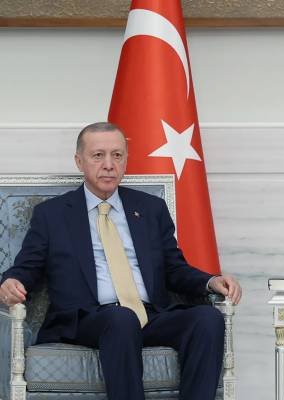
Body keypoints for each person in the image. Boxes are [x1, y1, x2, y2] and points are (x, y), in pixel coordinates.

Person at [0, 122, 242, 400]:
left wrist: (211, 281)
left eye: (117, 155)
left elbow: (175, 268)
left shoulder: (150, 208)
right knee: (121, 319)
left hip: (149, 316)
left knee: (208, 318)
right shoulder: (52, 214)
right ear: (79, 161)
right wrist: (11, 282)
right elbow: (27, 266)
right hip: (87, 319)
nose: (108, 165)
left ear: (126, 160)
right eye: (98, 155)